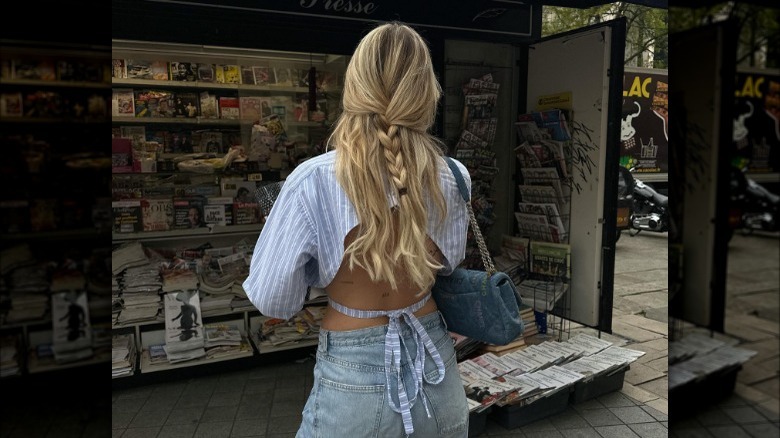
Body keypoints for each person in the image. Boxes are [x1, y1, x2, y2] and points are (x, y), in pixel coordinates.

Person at [243, 22, 471, 437]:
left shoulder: (312, 180)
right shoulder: (454, 176)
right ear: (425, 92)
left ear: (356, 86)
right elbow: (449, 262)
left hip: (354, 376)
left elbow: (274, 301)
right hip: (437, 364)